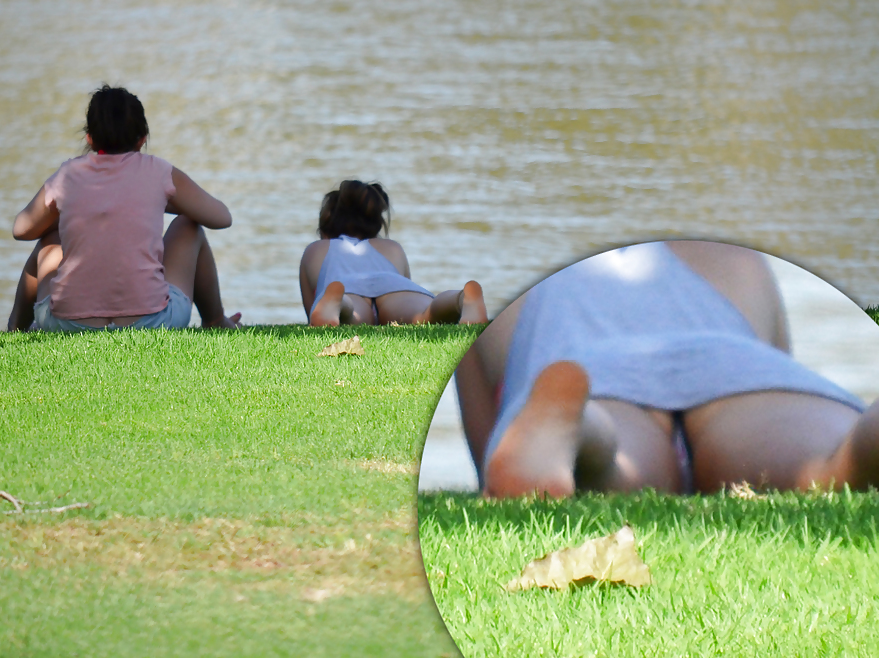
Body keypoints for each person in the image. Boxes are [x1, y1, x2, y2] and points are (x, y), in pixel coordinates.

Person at [455, 240, 879, 498]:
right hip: (736, 365)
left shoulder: (497, 273)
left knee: (606, 467)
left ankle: (578, 433)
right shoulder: (728, 253)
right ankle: (851, 455)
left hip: (592, 373)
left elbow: (490, 449)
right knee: (822, 466)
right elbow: (778, 364)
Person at [7, 85, 240, 332]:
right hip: (154, 322)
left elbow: (21, 229)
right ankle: (216, 321)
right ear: (142, 139)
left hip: (67, 324)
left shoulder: (67, 175)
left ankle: (15, 328)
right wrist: (162, 203)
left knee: (48, 241)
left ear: (89, 138)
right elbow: (221, 217)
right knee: (188, 225)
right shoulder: (158, 172)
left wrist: (69, 213)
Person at [299, 180, 488, 327]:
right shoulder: (391, 247)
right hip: (393, 286)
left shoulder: (316, 249)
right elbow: (406, 283)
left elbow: (312, 312)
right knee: (425, 315)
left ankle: (339, 304)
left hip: (346, 288)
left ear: (325, 228)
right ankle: (461, 299)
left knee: (350, 317)